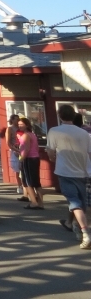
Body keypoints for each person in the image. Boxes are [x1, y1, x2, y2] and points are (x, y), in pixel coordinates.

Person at [48, 104, 91, 248]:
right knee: (81, 202)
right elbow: (89, 153)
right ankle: (76, 227)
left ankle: (85, 232)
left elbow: (51, 153)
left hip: (64, 171)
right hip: (82, 171)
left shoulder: (54, 131)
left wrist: (54, 159)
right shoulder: (84, 133)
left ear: (60, 115)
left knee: (74, 202)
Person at [17, 116, 43, 209]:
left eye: (22, 124)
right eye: (19, 124)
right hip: (35, 158)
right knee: (36, 182)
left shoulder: (26, 135)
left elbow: (26, 149)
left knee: (27, 182)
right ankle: (40, 203)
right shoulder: (33, 135)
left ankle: (34, 202)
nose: (20, 126)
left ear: (27, 125)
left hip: (28, 159)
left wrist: (21, 159)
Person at [3, 114, 24, 197]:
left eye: (18, 119)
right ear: (12, 120)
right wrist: (15, 149)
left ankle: (25, 185)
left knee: (23, 168)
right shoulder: (10, 129)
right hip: (14, 149)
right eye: (16, 119)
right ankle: (19, 185)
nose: (18, 121)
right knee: (17, 169)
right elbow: (8, 142)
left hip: (22, 148)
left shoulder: (20, 128)